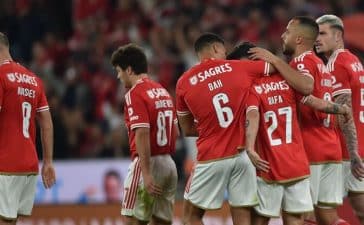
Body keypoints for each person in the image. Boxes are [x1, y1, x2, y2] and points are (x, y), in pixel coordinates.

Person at [176, 32, 313, 225]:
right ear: (216, 48)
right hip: (243, 157)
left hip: (211, 155)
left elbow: (187, 129)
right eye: (224, 51)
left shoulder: (184, 81)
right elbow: (276, 68)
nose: (226, 55)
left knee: (190, 217)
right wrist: (272, 57)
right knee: (242, 217)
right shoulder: (238, 67)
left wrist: (214, 127)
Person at [229, 42, 351, 225]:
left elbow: (252, 115)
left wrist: (249, 146)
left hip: (269, 166)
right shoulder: (287, 81)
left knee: (261, 219)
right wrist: (342, 109)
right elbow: (315, 102)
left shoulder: (252, 88)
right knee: (296, 219)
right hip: (297, 165)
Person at [110, 43, 178, 225]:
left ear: (129, 70)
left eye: (119, 71)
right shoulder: (163, 92)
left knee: (131, 218)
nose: (118, 76)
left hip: (148, 163)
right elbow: (175, 130)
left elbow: (141, 133)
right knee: (161, 220)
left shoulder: (135, 94)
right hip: (169, 164)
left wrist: (147, 173)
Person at [0, 32, 56, 225]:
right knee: (10, 220)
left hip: (4, 163)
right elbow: (46, 123)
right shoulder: (33, 79)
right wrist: (48, 161)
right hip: (28, 165)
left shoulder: (0, 76)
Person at [316, 14, 364, 224]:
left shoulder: (336, 64)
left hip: (346, 151)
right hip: (361, 144)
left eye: (322, 33)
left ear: (338, 35)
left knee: (318, 212)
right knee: (361, 211)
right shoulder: (354, 60)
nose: (317, 39)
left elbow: (344, 111)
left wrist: (352, 151)